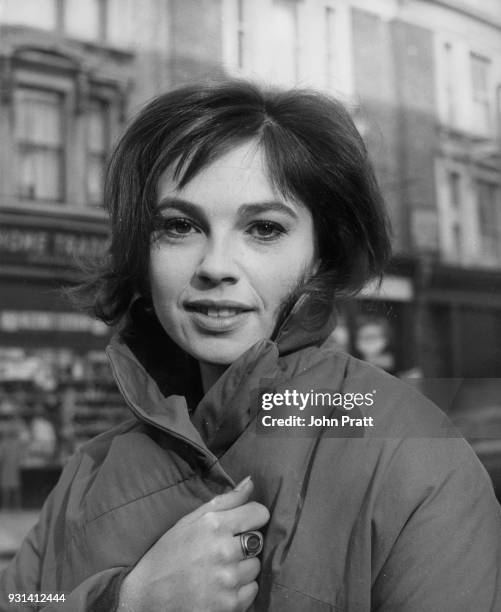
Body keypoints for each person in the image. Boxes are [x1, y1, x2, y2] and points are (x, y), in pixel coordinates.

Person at [1, 79, 500, 611]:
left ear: (320, 254)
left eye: (263, 228)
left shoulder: (412, 454)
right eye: (179, 226)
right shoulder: (87, 475)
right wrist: (126, 601)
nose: (216, 266)